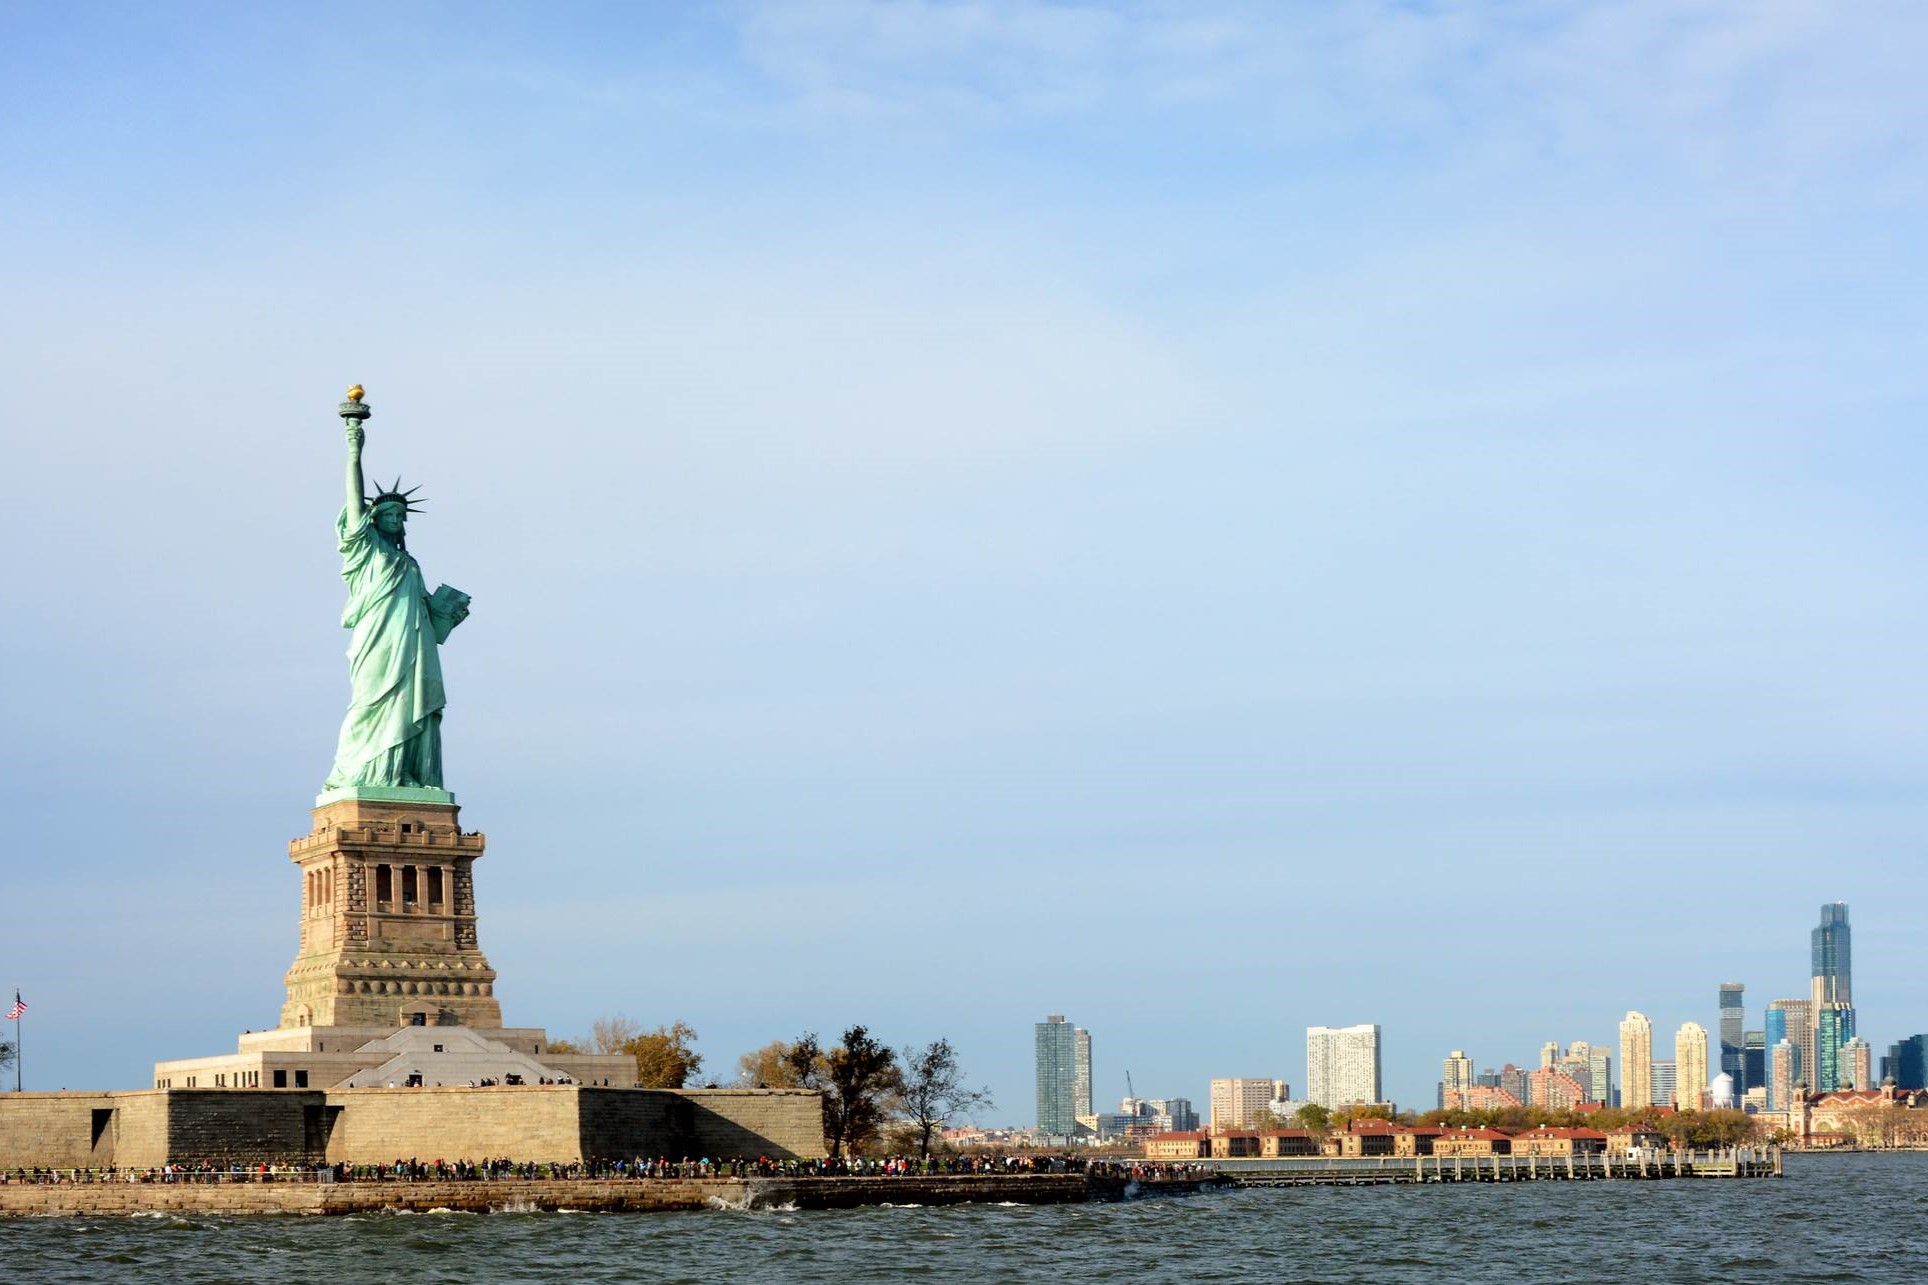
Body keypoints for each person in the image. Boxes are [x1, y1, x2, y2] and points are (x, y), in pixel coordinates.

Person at [324, 418, 469, 790]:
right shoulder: (365, 551)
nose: (395, 520)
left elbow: (427, 617)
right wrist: (354, 451)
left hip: (414, 642)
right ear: (374, 519)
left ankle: (403, 773)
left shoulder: (409, 563)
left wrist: (447, 614)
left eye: (399, 516)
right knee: (371, 702)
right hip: (379, 640)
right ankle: (365, 773)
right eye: (387, 515)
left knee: (409, 702)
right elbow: (354, 503)